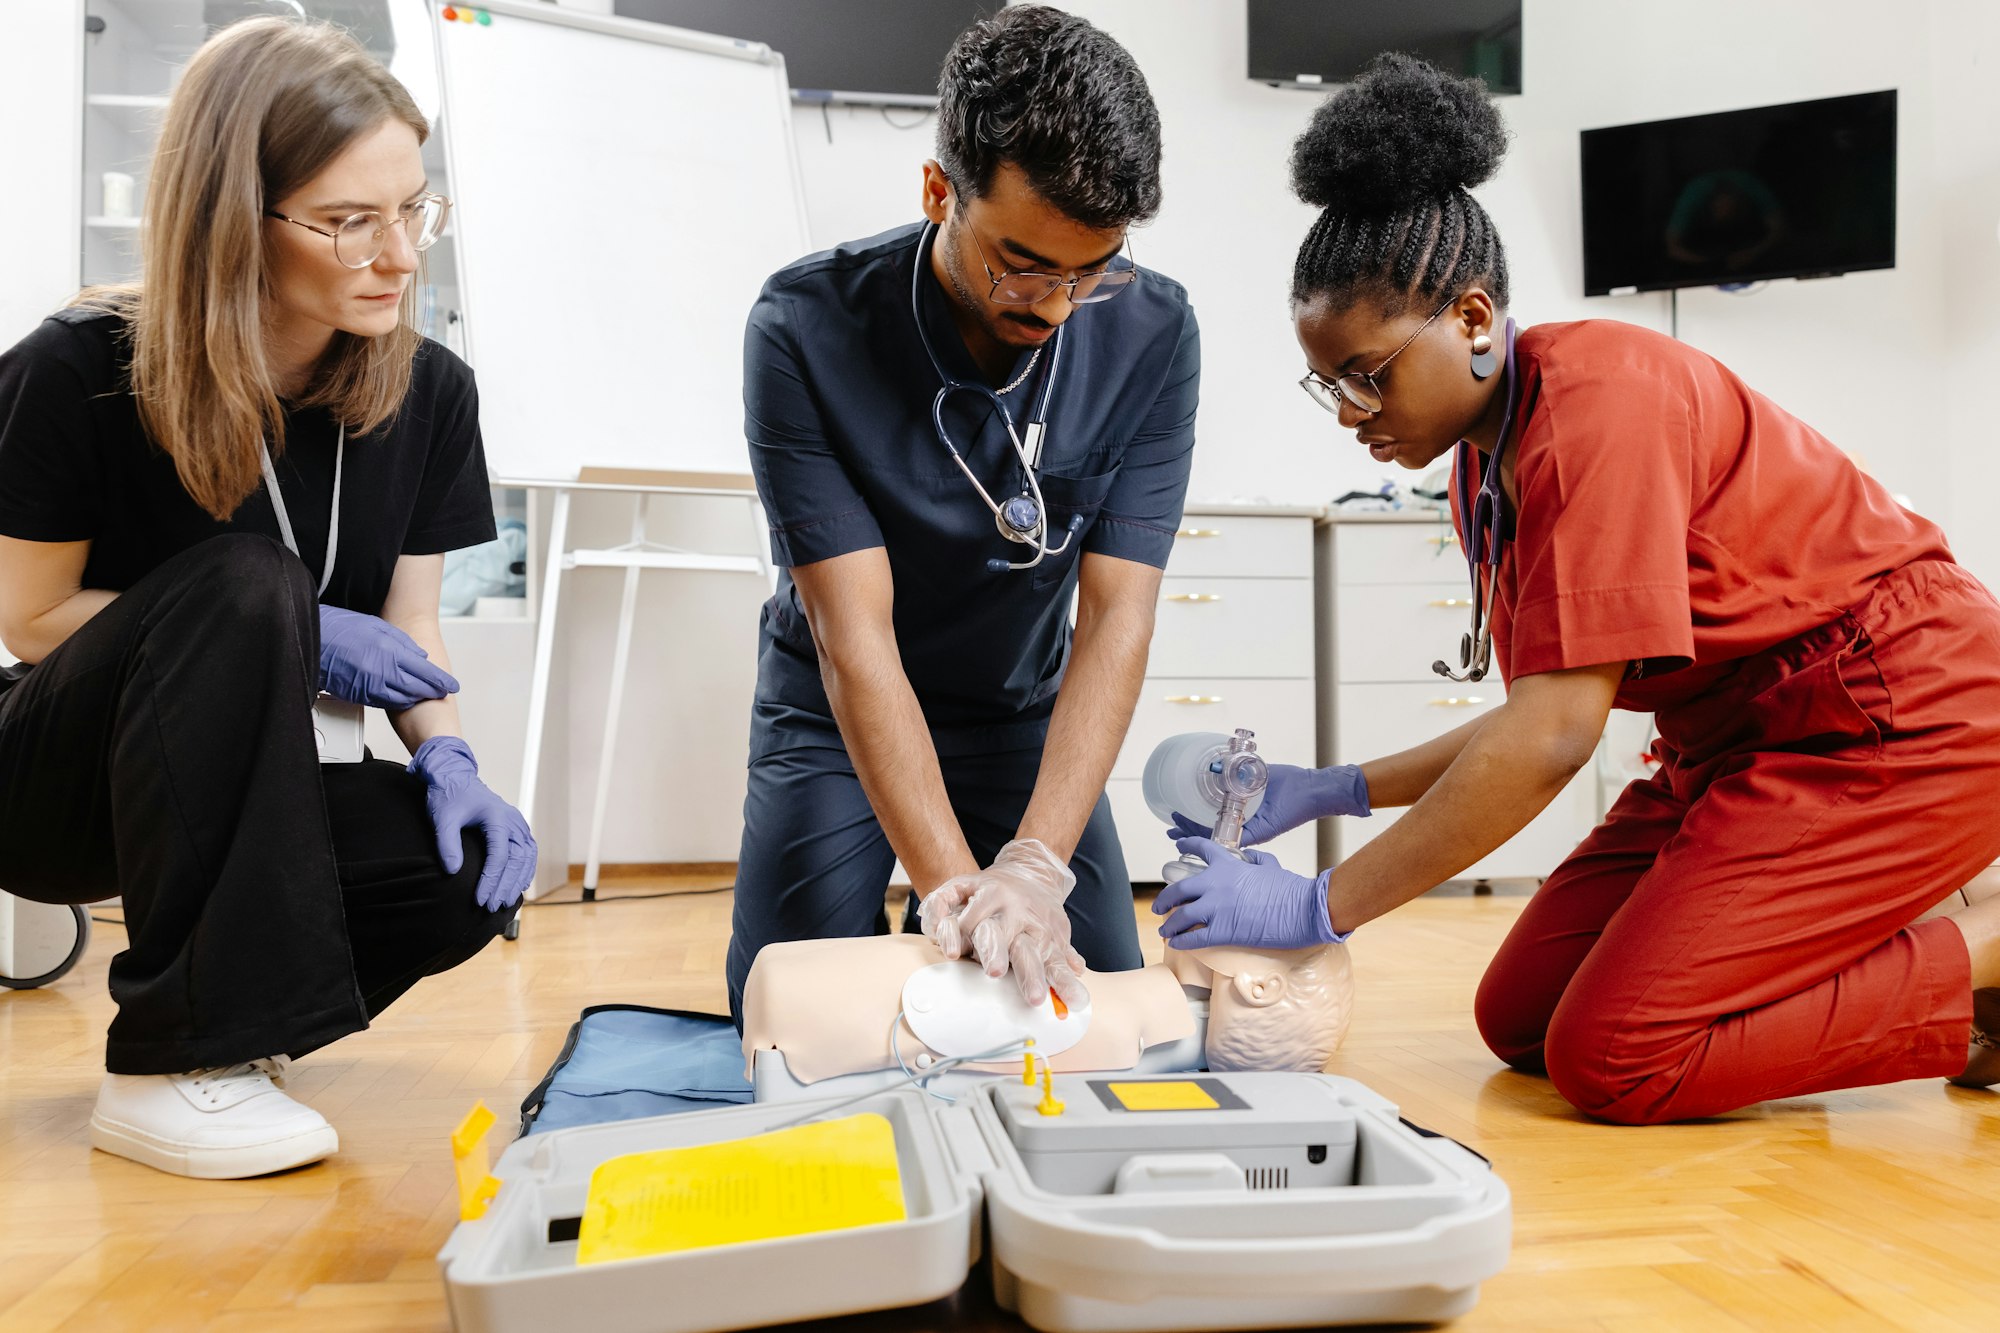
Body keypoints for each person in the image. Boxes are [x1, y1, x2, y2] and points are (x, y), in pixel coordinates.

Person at [1153, 53, 2000, 1121]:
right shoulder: (1475, 462)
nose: (1346, 411)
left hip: (1895, 720)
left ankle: (1979, 947)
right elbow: (1529, 719)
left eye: (1365, 373)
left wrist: (1321, 903)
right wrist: (1329, 787)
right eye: (1328, 381)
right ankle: (1908, 955)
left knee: (1618, 1057)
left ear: (1470, 317)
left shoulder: (1602, 400)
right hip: (1734, 743)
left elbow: (1552, 738)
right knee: (1521, 1021)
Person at [0, 18, 536, 1178]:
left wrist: (450, 759)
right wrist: (294, 631)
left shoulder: (430, 392)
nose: (398, 255)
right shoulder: (80, 367)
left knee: (457, 885)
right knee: (253, 581)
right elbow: (30, 619)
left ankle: (242, 1024)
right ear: (234, 220)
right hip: (55, 785)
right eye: (350, 222)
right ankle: (166, 1066)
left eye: (413, 209)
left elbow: (410, 626)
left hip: (242, 794)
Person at [726, 6, 1199, 1026]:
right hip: (832, 711)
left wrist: (1029, 870)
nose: (1057, 303)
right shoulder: (804, 328)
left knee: (1096, 1007)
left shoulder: (1150, 331)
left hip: (1014, 715)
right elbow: (852, 640)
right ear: (939, 189)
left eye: (1092, 267)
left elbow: (1117, 618)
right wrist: (956, 891)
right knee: (791, 1011)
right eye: (1023, 262)